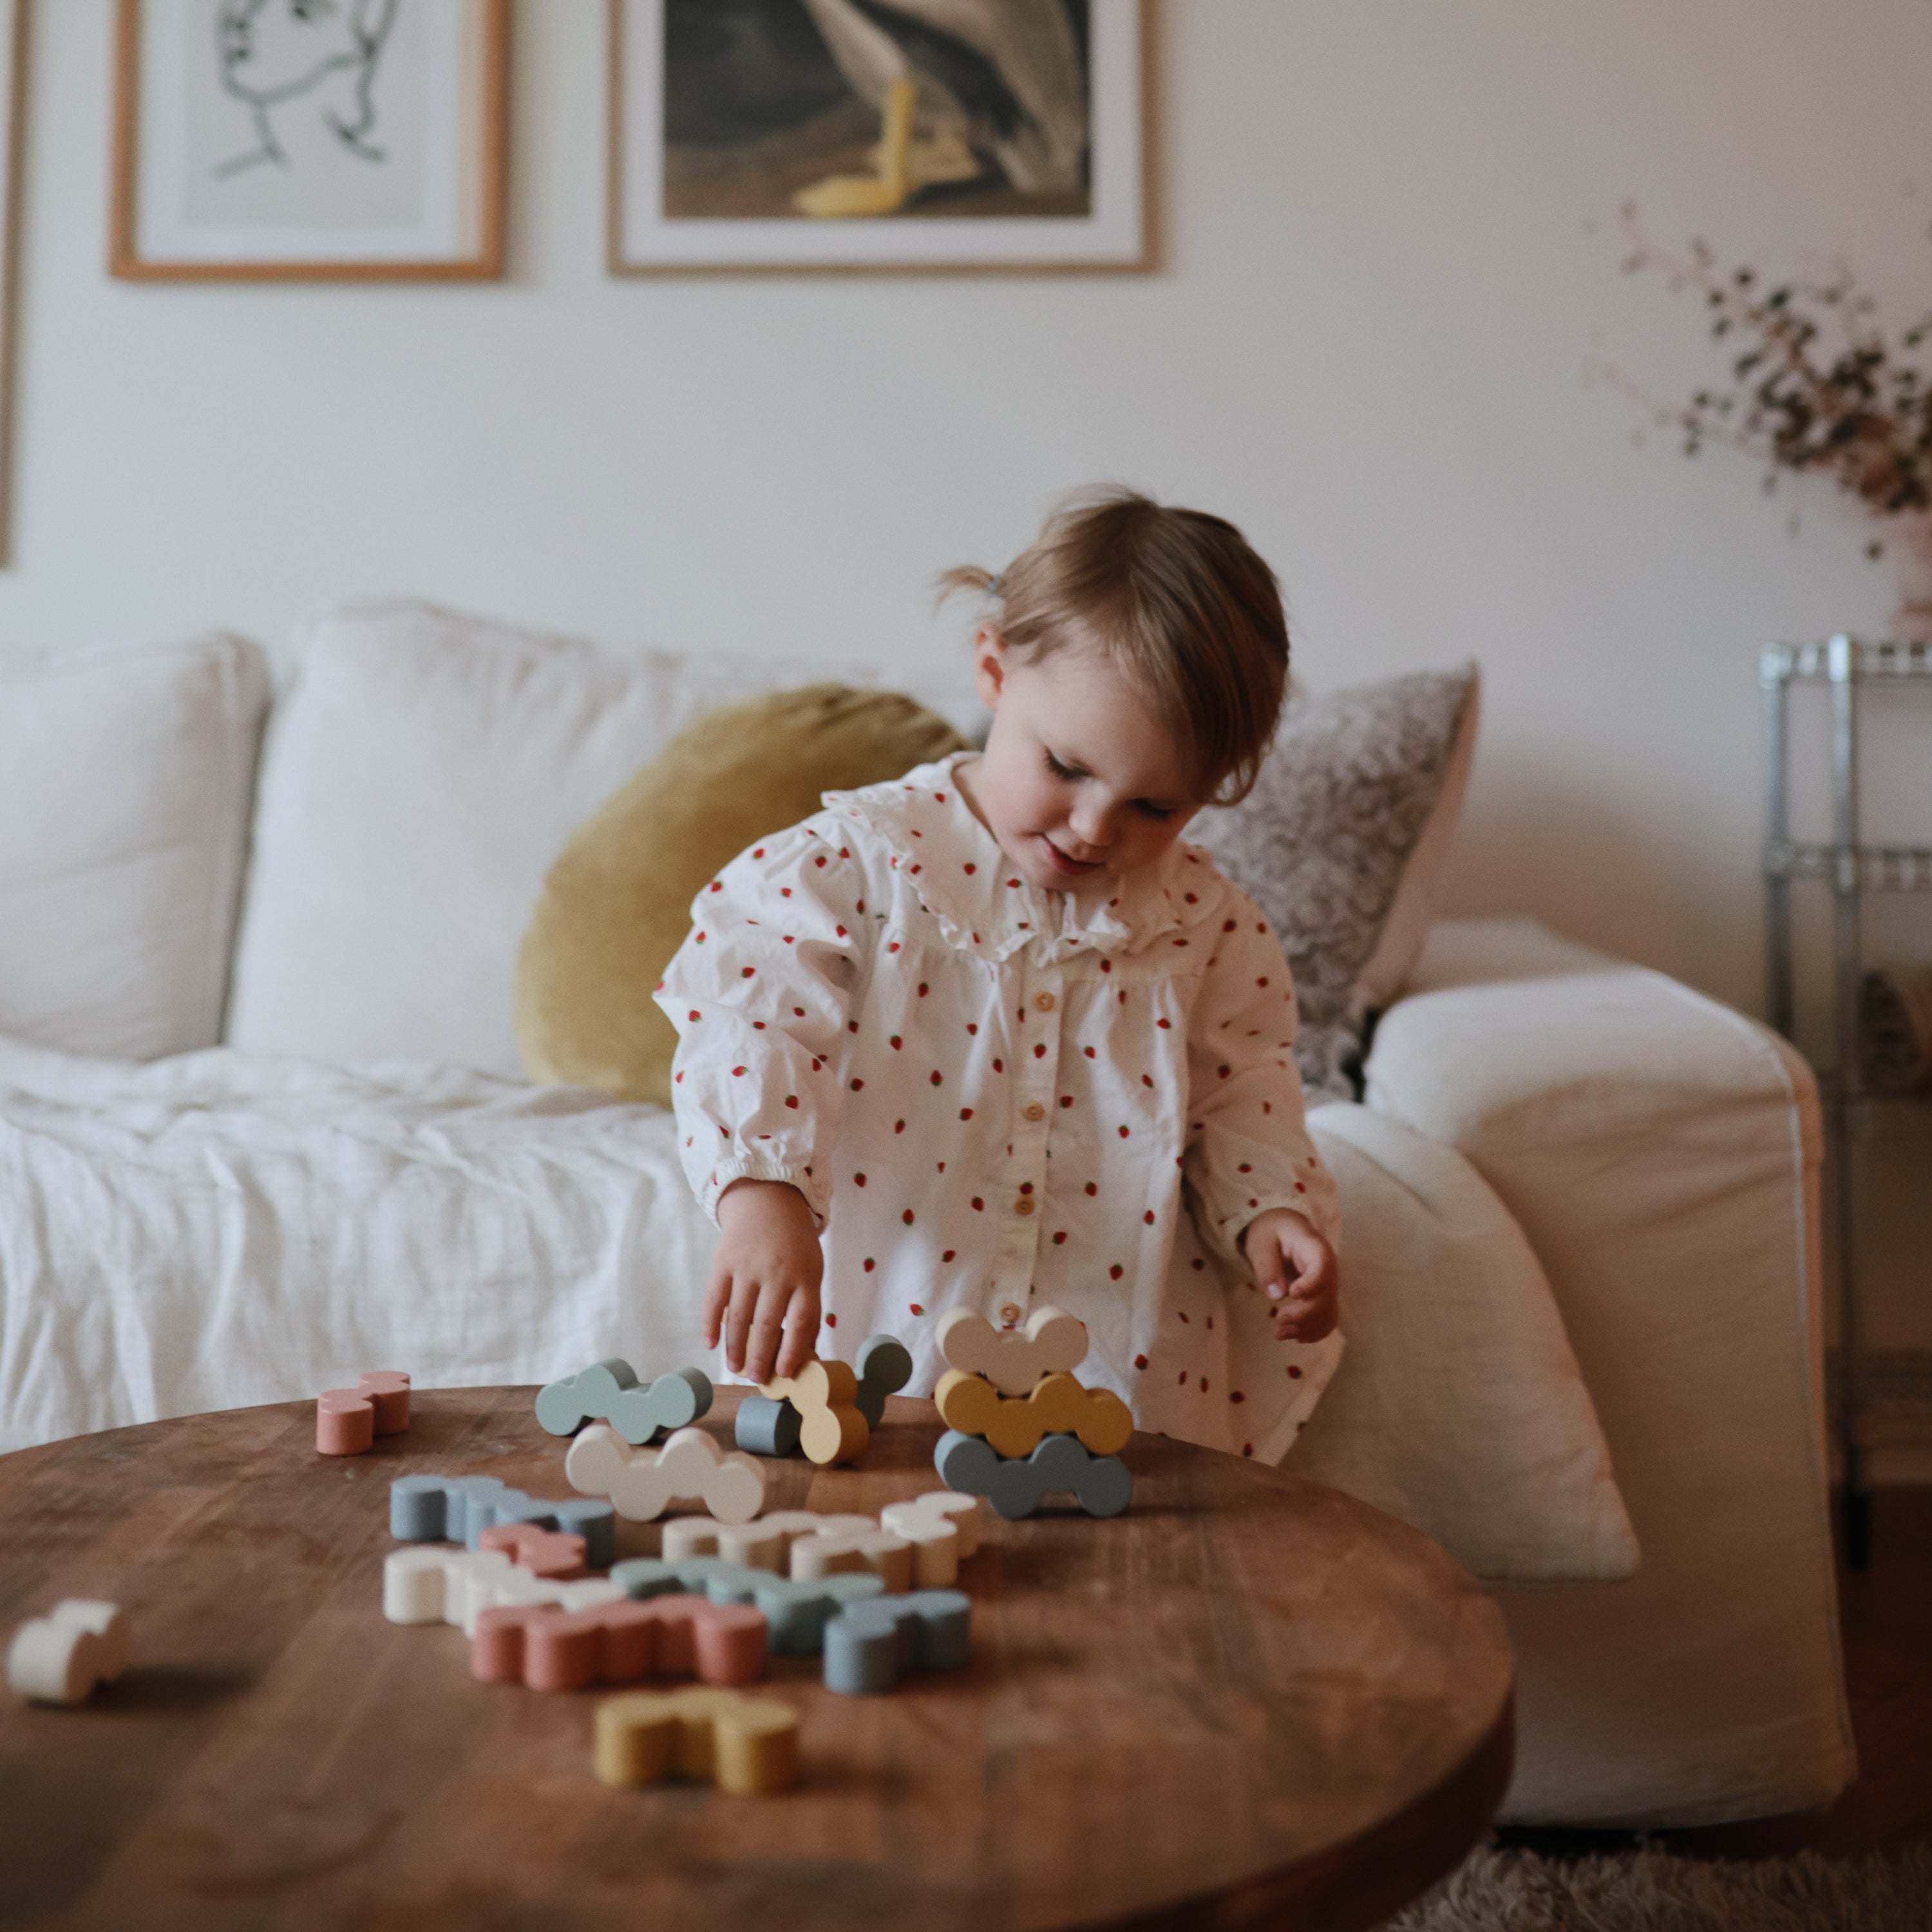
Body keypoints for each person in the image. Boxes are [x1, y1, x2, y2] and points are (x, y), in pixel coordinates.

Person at [655, 489, 1341, 1462]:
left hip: (1115, 1372)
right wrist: (762, 1192)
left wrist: (1269, 1210)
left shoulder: (1204, 926)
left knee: (1109, 1572)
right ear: (991, 669)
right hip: (891, 1341)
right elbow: (752, 1013)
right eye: (1065, 767)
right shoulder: (862, 865)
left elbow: (1245, 1090)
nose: (1098, 828)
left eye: (1155, 806)